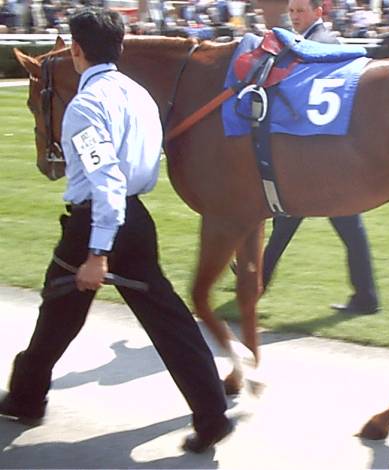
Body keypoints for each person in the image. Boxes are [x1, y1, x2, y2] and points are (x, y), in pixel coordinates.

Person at [0, 8, 232, 453]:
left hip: (98, 222)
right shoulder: (139, 95)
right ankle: (212, 412)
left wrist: (98, 253)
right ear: (120, 46)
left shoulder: (85, 107)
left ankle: (26, 397)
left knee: (60, 306)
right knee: (160, 318)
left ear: (76, 50)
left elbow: (106, 181)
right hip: (136, 217)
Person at [261, 0, 380, 315]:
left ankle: (257, 278)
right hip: (322, 151)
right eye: (292, 11)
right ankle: (366, 296)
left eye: (301, 11)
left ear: (318, 12)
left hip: (322, 153)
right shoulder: (308, 41)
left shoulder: (320, 43)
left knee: (292, 218)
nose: (295, 16)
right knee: (331, 223)